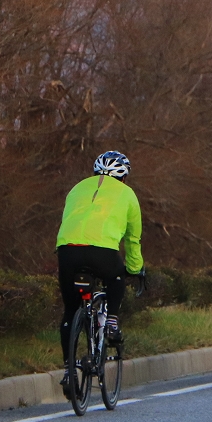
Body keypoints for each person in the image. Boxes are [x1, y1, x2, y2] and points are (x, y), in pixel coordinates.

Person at [55, 151, 144, 397]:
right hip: (102, 252)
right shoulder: (127, 194)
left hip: (68, 250)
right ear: (124, 177)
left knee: (70, 310)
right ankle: (112, 320)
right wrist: (135, 270)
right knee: (115, 276)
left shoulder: (76, 188)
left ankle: (69, 372)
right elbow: (133, 238)